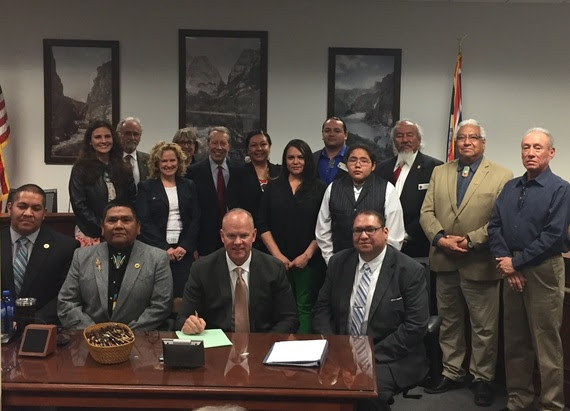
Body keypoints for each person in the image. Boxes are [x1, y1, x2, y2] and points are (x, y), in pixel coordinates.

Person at [419, 119, 512, 407]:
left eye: (473, 138)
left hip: (480, 262)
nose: (467, 142)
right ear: (455, 142)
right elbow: (426, 212)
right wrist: (441, 239)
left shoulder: (501, 175)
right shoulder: (439, 171)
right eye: (462, 138)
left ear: (483, 143)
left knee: (484, 327)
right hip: (444, 259)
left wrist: (470, 240)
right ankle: (452, 371)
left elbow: (499, 220)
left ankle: (482, 378)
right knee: (449, 322)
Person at [488, 127, 570, 411]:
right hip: (510, 269)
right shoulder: (510, 187)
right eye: (526, 147)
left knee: (546, 342)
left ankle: (552, 405)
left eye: (537, 147)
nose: (530, 153)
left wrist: (516, 263)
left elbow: (554, 236)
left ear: (551, 153)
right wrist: (506, 263)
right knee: (515, 339)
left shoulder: (560, 189)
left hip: (543, 271)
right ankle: (518, 398)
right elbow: (494, 226)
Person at [313, 210, 429, 410]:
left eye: (370, 229)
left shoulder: (409, 270)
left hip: (388, 356)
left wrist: (369, 355)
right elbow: (322, 309)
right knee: (313, 387)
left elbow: (415, 326)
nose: (363, 235)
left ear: (385, 232)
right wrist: (335, 347)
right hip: (341, 350)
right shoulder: (339, 262)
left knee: (365, 392)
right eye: (357, 230)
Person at [176, 208, 298, 334]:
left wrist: (264, 344)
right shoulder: (202, 269)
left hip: (262, 343)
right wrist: (190, 324)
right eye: (231, 236)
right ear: (222, 236)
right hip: (219, 347)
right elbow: (182, 319)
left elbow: (289, 319)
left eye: (244, 235)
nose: (238, 242)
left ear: (254, 235)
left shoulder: (274, 268)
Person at [58, 202, 173, 331]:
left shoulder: (157, 258)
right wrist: (95, 332)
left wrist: (124, 335)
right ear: (102, 228)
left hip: (138, 340)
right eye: (112, 220)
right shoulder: (82, 256)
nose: (119, 226)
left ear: (138, 227)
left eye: (126, 220)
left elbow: (161, 306)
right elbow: (67, 303)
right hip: (89, 339)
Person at [257, 139, 326, 333]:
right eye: (291, 157)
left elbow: (323, 226)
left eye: (300, 157)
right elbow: (262, 224)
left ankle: (302, 351)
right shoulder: (273, 187)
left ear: (307, 160)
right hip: (276, 261)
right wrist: (277, 256)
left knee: (304, 306)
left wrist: (307, 255)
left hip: (308, 260)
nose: (296, 161)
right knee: (279, 308)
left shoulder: (319, 188)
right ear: (285, 160)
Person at [1, 184, 79, 325]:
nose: (28, 213)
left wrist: (30, 323)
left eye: (36, 208)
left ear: (44, 213)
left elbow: (65, 296)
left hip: (43, 328)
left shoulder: (65, 247)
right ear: (10, 208)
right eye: (22, 206)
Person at [315, 143, 405, 265]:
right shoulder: (333, 188)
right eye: (353, 160)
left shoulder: (387, 189)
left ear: (373, 166)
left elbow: (395, 234)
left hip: (377, 264)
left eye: (364, 161)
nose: (358, 165)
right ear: (346, 165)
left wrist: (382, 264)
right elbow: (323, 229)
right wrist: (331, 259)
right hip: (341, 262)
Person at [136, 141, 200, 306]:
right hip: (156, 251)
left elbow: (195, 219)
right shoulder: (146, 187)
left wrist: (184, 246)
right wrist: (165, 249)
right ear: (157, 163)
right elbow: (145, 221)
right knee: (156, 297)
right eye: (164, 161)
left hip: (182, 252)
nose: (169, 164)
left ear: (179, 162)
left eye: (173, 160)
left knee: (181, 300)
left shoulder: (189, 185)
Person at [376, 120, 443, 258]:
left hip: (418, 245)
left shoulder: (435, 167)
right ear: (394, 141)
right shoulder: (382, 168)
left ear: (418, 140)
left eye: (410, 135)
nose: (405, 140)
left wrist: (406, 235)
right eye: (399, 136)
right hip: (384, 245)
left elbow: (435, 207)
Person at [69, 119, 136, 246]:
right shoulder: (80, 169)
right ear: (90, 141)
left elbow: (131, 199)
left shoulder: (124, 167)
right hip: (91, 233)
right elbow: (79, 204)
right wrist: (103, 227)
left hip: (121, 231)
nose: (103, 141)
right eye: (98, 137)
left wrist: (121, 224)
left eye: (107, 136)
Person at [186, 126, 238, 257]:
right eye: (215, 143)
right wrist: (193, 246)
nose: (218, 147)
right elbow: (190, 211)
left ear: (229, 146)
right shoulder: (193, 172)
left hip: (234, 240)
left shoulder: (239, 170)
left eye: (223, 143)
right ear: (208, 145)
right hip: (204, 242)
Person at [227, 129, 280, 224]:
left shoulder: (280, 172)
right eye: (254, 145)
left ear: (269, 147)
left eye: (263, 144)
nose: (259, 148)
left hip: (277, 230)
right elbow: (234, 205)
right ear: (247, 149)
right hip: (248, 230)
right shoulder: (238, 174)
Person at [312, 117, 349, 185]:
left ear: (345, 135)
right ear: (322, 134)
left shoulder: (354, 158)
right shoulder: (312, 158)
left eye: (337, 131)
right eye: (327, 131)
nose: (331, 134)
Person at [117, 116, 150, 186]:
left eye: (135, 134)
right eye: (127, 134)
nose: (132, 138)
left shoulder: (149, 160)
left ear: (140, 137)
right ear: (119, 135)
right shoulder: (111, 159)